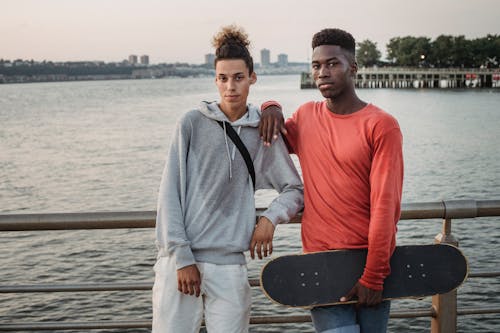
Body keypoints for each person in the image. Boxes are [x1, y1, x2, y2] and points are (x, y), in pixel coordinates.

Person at [152, 25, 303, 333]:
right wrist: (182, 257)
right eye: (223, 78)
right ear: (215, 79)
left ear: (252, 78)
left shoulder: (263, 133)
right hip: (181, 263)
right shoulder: (191, 124)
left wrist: (269, 218)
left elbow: (295, 189)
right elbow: (169, 193)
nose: (230, 86)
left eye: (238, 77)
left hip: (230, 265)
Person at [260, 28, 404, 333]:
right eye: (316, 65)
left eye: (332, 64)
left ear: (353, 67)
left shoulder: (381, 125)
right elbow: (269, 138)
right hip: (321, 264)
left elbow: (385, 206)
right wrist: (269, 105)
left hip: (369, 265)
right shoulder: (306, 116)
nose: (323, 72)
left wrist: (374, 276)